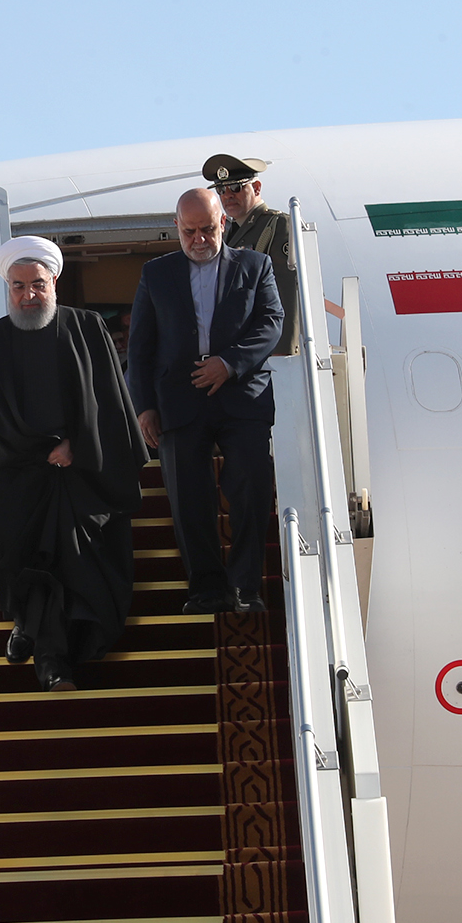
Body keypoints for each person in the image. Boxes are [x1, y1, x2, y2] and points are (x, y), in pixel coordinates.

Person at [0, 235, 149, 691]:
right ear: (8, 288)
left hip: (77, 473)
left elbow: (111, 402)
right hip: (12, 476)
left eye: (37, 284)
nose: (28, 295)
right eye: (18, 286)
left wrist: (78, 443)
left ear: (54, 281)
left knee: (71, 563)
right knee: (6, 549)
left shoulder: (87, 328)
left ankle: (53, 662)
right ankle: (26, 623)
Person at [127, 189, 283, 615]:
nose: (199, 239)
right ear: (176, 227)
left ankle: (245, 588)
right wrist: (144, 407)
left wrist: (228, 364)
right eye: (190, 231)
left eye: (208, 230)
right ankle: (207, 590)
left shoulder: (255, 265)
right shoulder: (156, 273)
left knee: (250, 489)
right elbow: (140, 347)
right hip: (179, 402)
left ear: (223, 224)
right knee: (189, 500)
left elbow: (271, 323)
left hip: (242, 397)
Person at [203, 153, 299, 354]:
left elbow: (287, 293)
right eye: (221, 189)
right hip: (242, 350)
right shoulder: (232, 232)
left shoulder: (277, 225)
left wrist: (283, 352)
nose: (227, 195)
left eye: (236, 187)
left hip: (267, 351)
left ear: (256, 188)